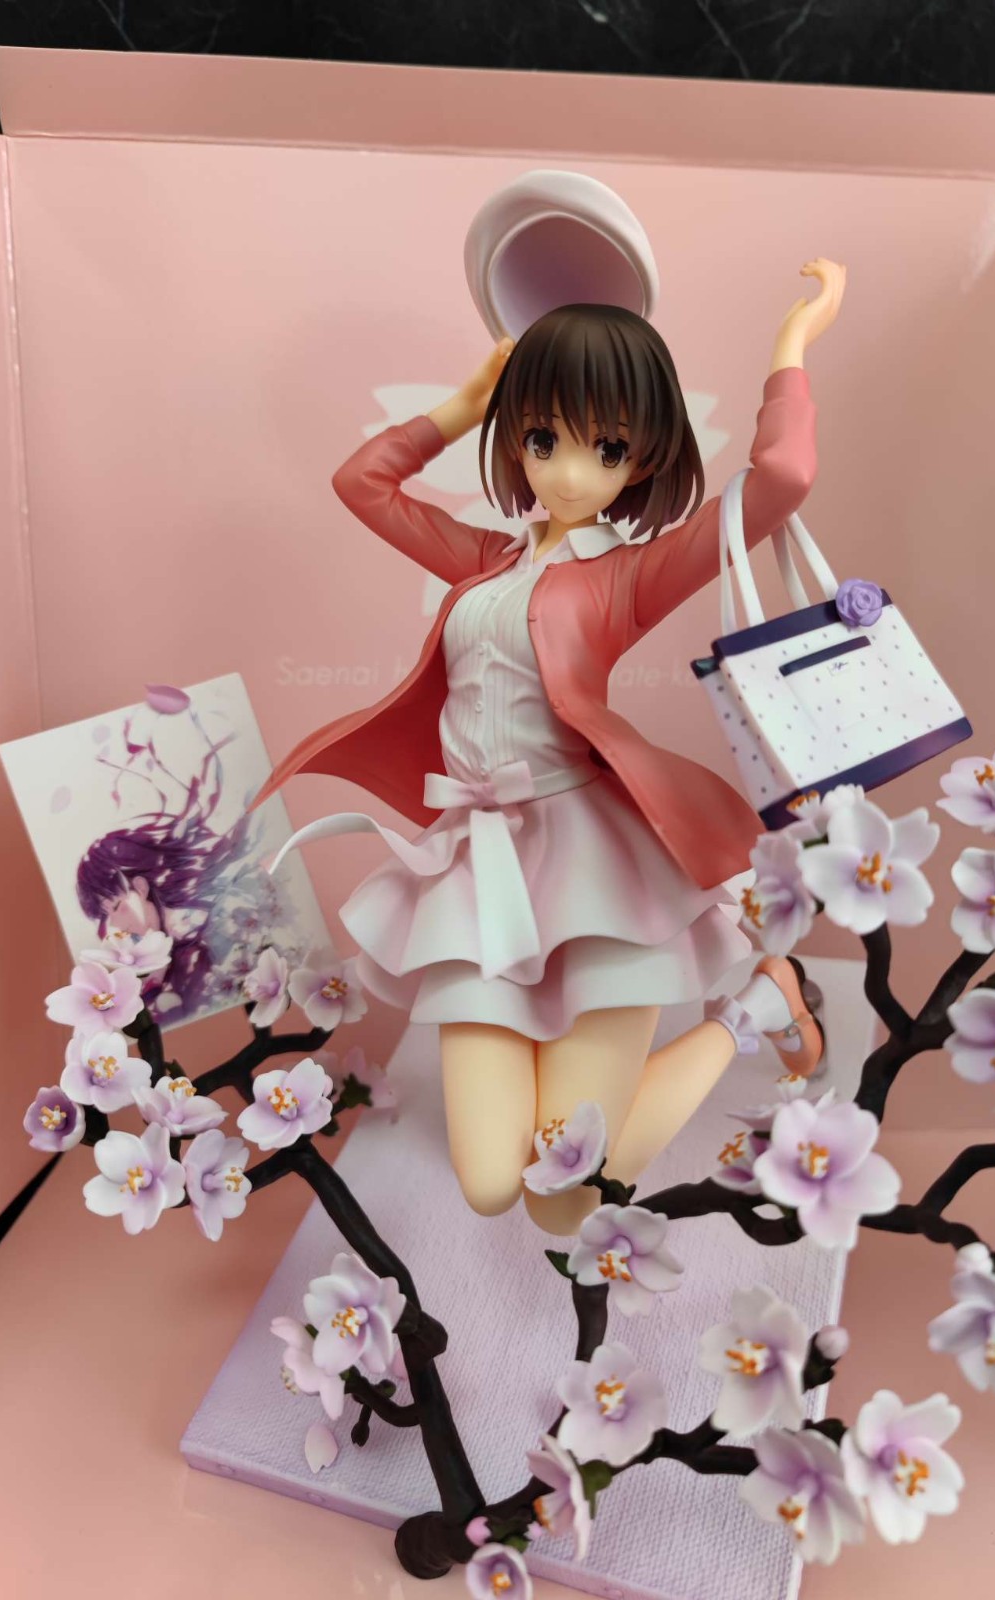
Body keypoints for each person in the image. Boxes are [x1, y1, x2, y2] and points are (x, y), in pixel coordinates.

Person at [250, 259, 847, 1234]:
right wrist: (464, 404)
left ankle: (756, 1010)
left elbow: (781, 478)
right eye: (542, 438)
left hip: (594, 863)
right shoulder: (483, 559)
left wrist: (794, 344)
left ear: (642, 458)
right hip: (477, 865)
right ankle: (738, 1015)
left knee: (567, 1198)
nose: (569, 474)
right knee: (495, 1182)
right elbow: (361, 483)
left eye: (606, 448)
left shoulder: (630, 574)